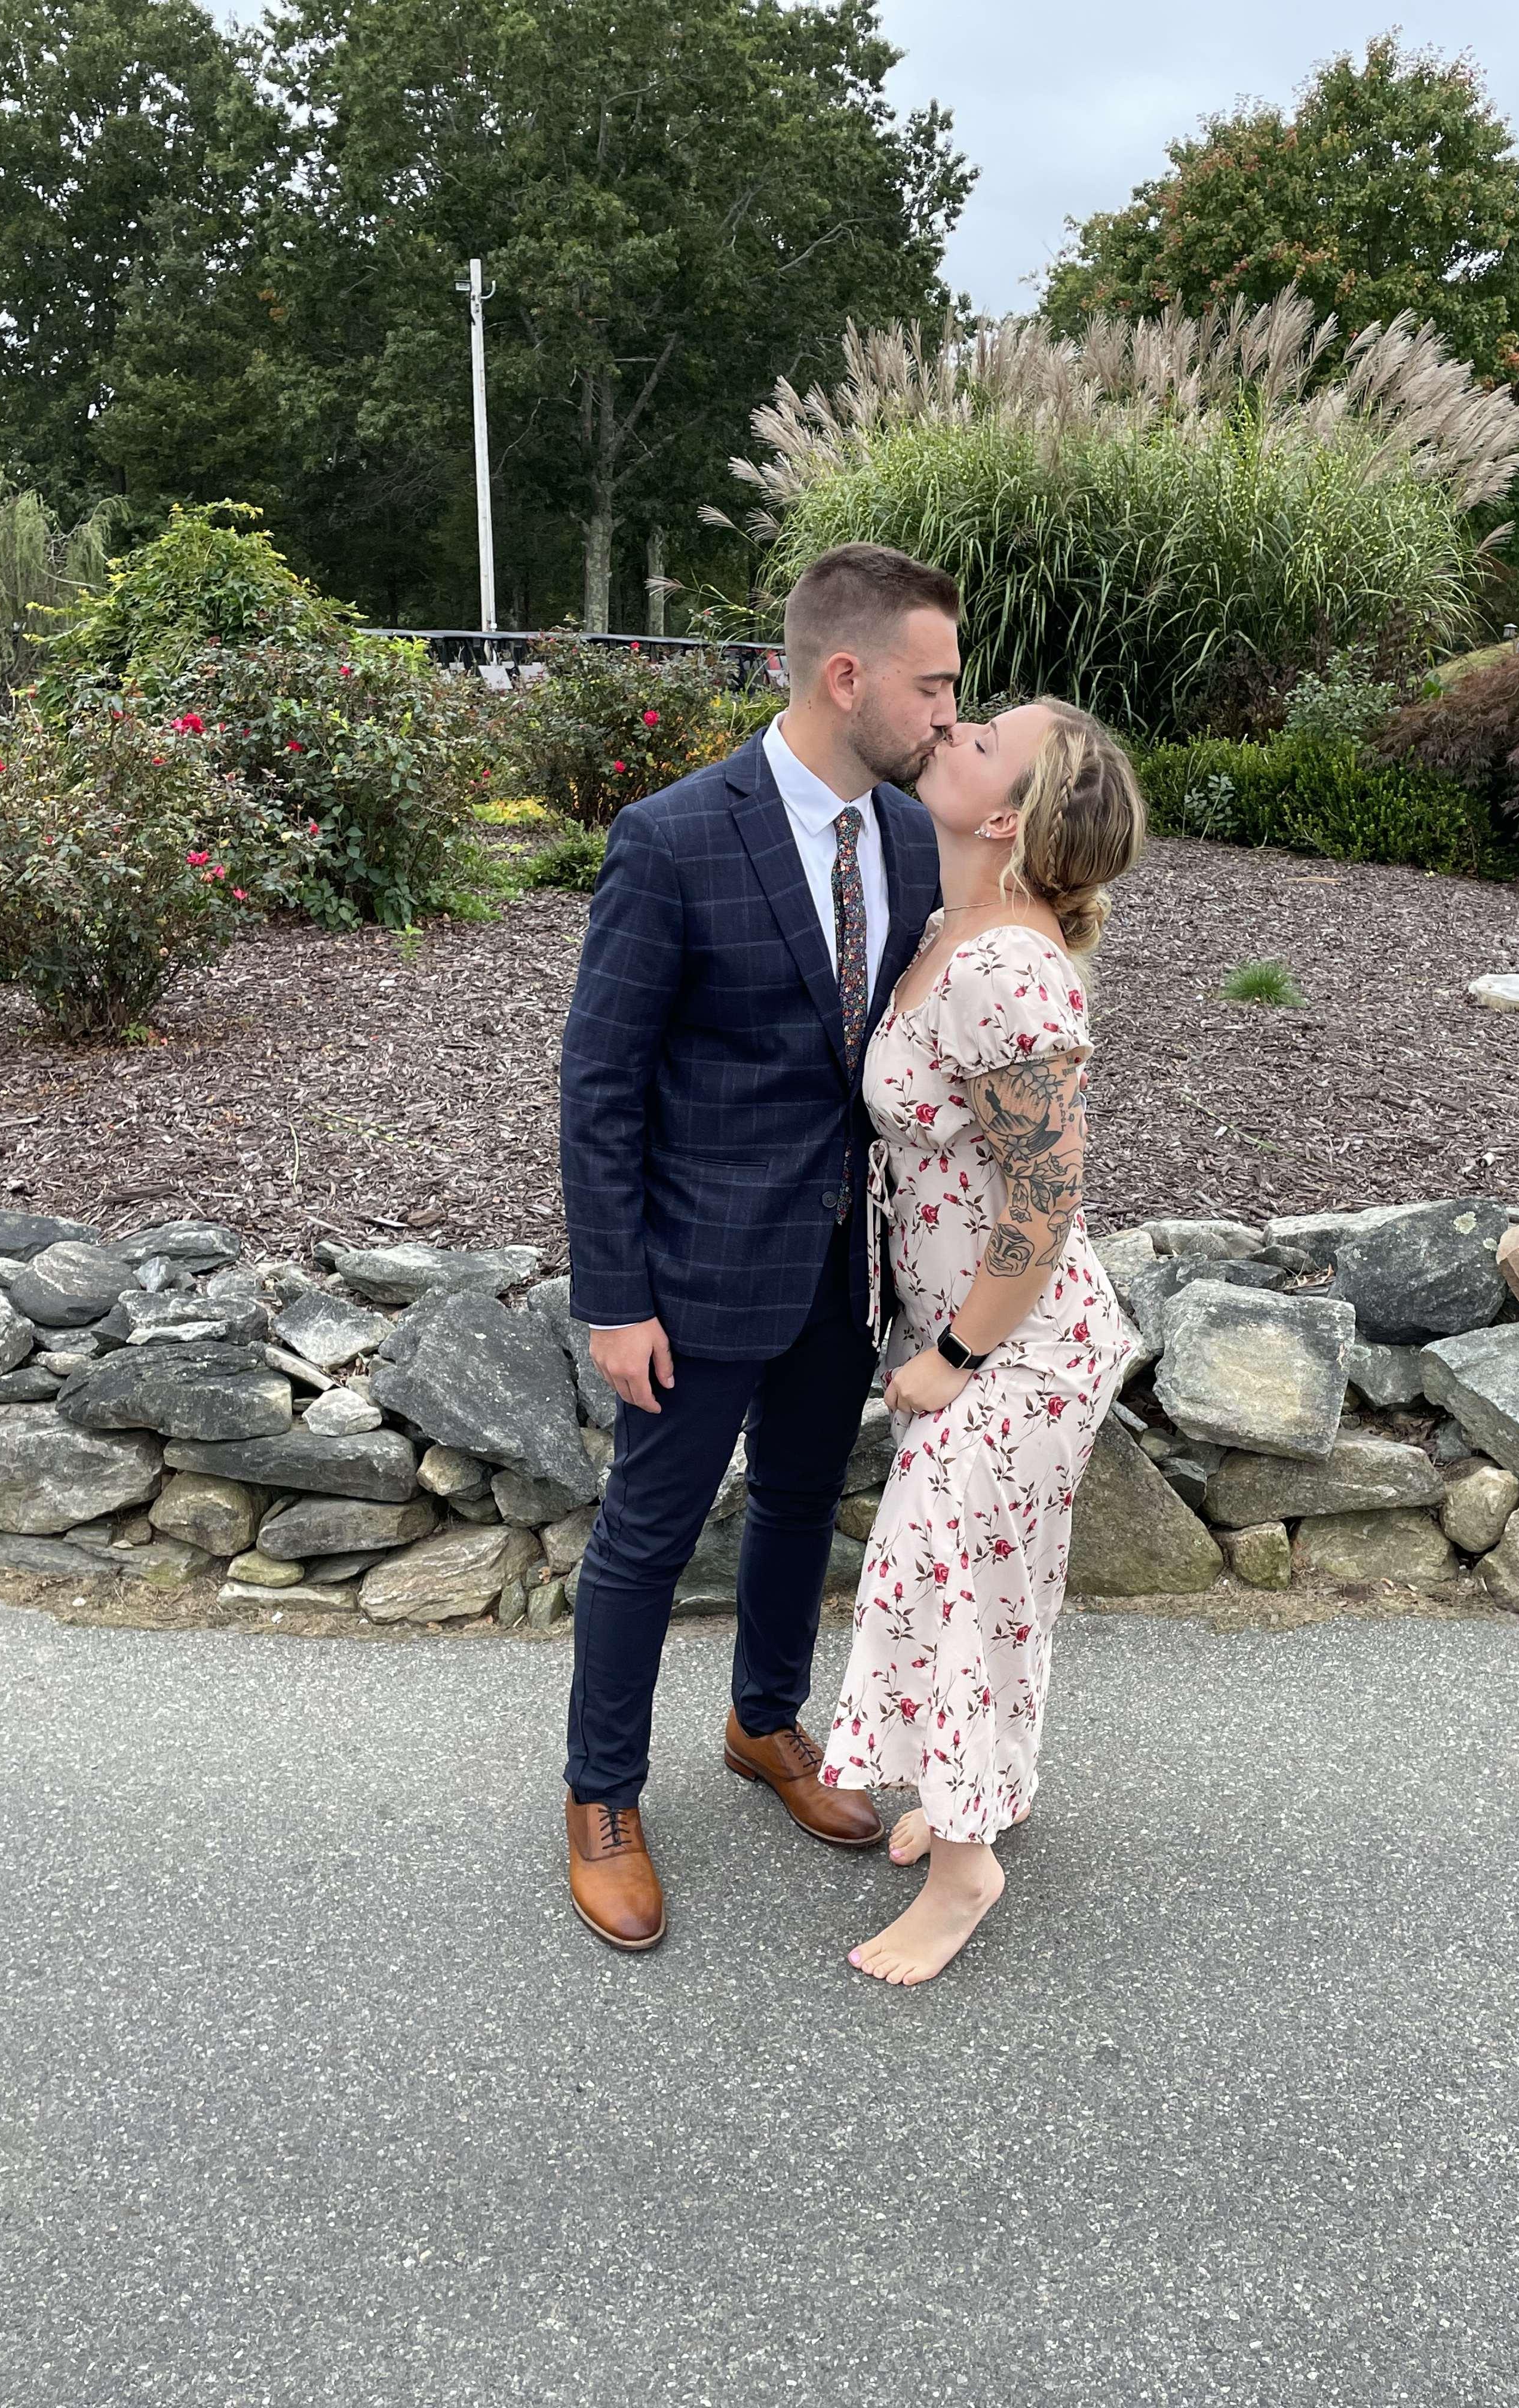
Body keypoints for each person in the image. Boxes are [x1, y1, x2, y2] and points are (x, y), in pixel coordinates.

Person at [556, 543, 958, 1951]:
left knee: (796, 1505)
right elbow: (600, 1085)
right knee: (649, 1538)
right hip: (694, 1274)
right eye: (933, 686)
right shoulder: (672, 837)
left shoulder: (912, 838)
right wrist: (616, 1296)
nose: (948, 715)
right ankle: (601, 1795)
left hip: (844, 1267)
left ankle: (764, 1722)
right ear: (847, 676)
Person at [815, 699, 1147, 1986]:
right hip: (976, 1332)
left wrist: (951, 1359)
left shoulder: (1007, 967)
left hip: (1020, 1348)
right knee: (978, 1583)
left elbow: (1046, 1200)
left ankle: (965, 1872)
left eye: (985, 738)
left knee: (950, 1583)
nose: (952, 728)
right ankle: (978, 1797)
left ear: (1007, 816)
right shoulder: (951, 930)